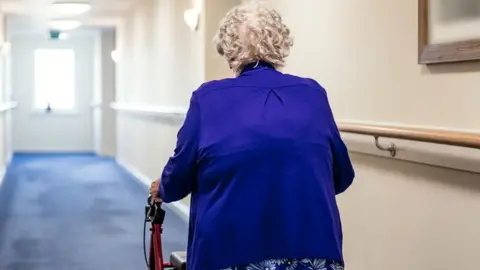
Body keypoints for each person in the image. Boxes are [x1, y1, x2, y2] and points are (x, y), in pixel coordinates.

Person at [149, 3, 354, 270]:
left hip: (230, 252)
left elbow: (178, 177)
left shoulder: (208, 99)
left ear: (228, 48)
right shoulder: (313, 94)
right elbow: (341, 175)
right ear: (280, 42)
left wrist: (162, 188)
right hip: (314, 251)